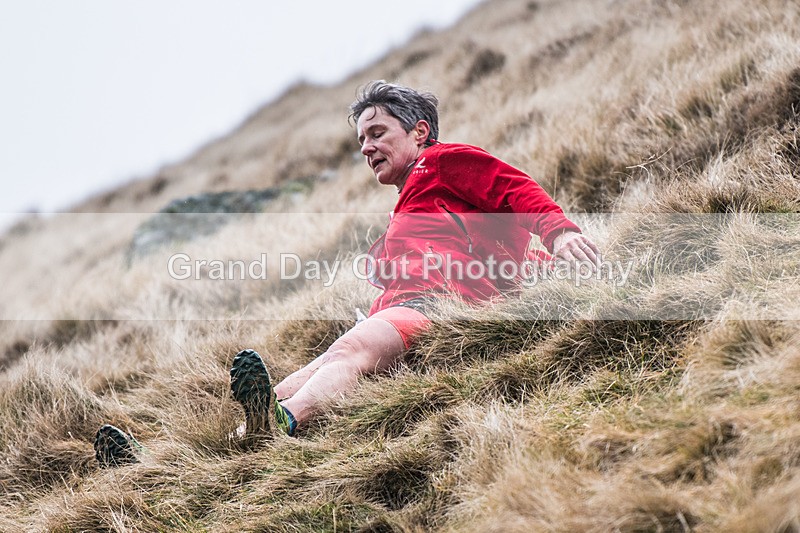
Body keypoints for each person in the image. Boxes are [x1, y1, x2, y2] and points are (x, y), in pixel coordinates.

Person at [93, 81, 600, 465]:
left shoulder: (443, 162)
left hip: (435, 307)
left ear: (418, 131)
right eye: (361, 139)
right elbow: (506, 257)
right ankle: (173, 459)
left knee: (348, 353)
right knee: (306, 373)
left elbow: (513, 187)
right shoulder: (420, 203)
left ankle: (284, 421)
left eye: (377, 132)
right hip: (415, 310)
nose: (366, 147)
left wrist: (560, 233)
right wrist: (543, 267)